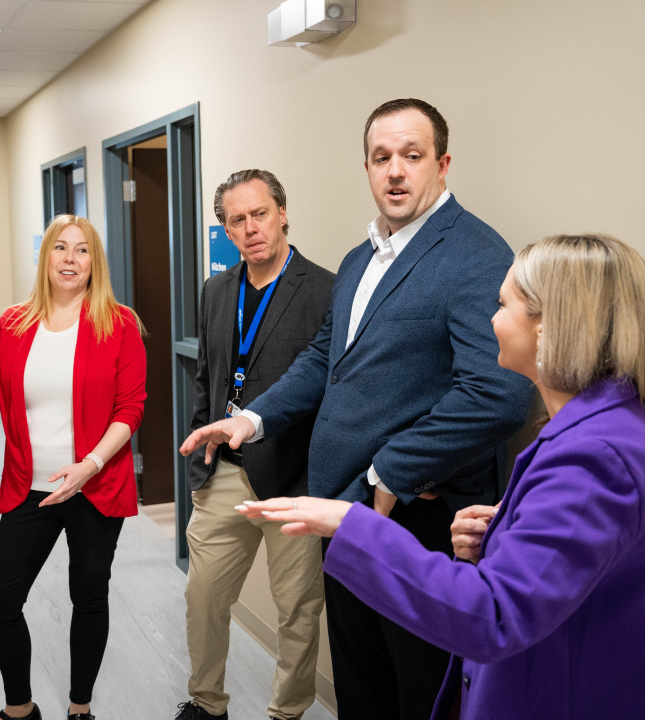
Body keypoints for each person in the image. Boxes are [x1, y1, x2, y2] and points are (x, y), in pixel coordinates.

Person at [180, 99, 534, 720]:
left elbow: (498, 393)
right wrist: (252, 418)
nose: (395, 171)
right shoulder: (360, 258)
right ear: (367, 169)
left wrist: (390, 472)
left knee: (416, 690)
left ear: (442, 164)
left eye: (412, 156)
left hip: (416, 517)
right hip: (345, 510)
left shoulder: (473, 253)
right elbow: (325, 358)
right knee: (360, 681)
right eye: (381, 158)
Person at [240, 233, 645, 720]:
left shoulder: (593, 456)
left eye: (503, 305)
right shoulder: (599, 429)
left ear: (547, 327)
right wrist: (503, 533)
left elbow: (494, 616)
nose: (491, 319)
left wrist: (353, 524)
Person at [0, 214, 146, 720]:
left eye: (82, 250)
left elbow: (130, 408)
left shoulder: (120, 323)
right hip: (30, 486)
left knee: (88, 595)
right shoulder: (13, 325)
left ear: (95, 262)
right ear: (45, 257)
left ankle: (80, 708)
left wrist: (88, 466)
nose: (70, 259)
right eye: (60, 248)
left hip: (95, 485)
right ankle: (19, 708)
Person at [174, 170, 334, 720]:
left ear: (283, 213)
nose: (250, 228)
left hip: (293, 477)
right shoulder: (218, 290)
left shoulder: (325, 289)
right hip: (223, 473)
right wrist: (202, 464)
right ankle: (207, 703)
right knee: (204, 598)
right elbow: (207, 379)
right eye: (236, 220)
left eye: (260, 214)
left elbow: (330, 390)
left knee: (298, 610)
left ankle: (287, 712)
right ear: (225, 228)